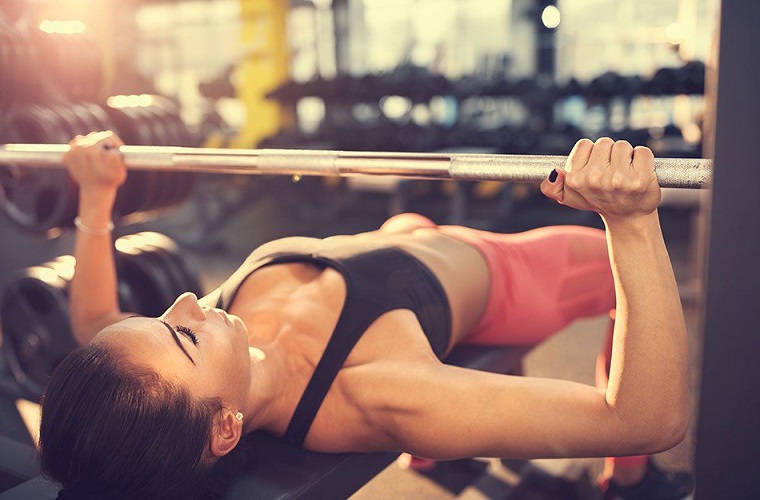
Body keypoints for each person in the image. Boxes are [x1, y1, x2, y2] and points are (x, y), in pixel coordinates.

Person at [39, 132, 692, 499]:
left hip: (396, 240)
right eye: (182, 336)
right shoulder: (378, 391)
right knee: (632, 282)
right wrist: (630, 222)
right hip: (488, 272)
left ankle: (467, 443)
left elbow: (92, 317)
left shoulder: (198, 359)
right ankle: (630, 482)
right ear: (224, 431)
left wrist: (96, 197)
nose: (188, 302)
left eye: (162, 317)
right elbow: (644, 415)